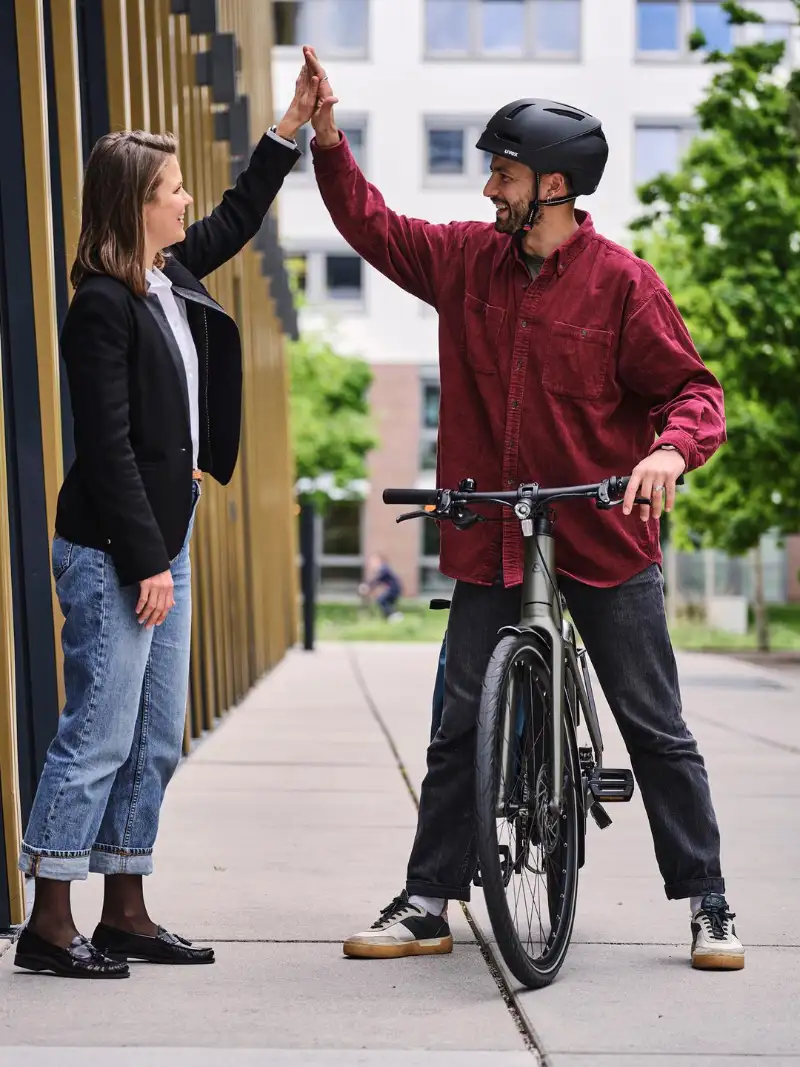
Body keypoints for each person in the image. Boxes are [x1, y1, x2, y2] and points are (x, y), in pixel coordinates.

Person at [303, 46, 745, 972]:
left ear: (553, 186)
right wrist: (329, 139)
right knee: (457, 725)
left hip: (604, 537)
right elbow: (375, 227)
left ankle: (708, 900)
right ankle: (430, 900)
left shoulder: (624, 284)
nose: (487, 190)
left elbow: (693, 393)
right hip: (493, 536)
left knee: (656, 726)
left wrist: (669, 450)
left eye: (501, 174)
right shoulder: (467, 262)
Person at [13, 64, 321, 980]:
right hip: (115, 547)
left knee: (153, 733)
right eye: (172, 187)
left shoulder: (166, 275)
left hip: (161, 543)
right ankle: (50, 920)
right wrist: (149, 559)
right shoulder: (101, 304)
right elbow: (104, 448)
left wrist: (292, 127)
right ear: (134, 204)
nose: (188, 198)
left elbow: (239, 211)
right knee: (99, 732)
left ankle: (127, 908)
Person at [359, 552, 403, 620]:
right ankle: (390, 618)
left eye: (373, 561)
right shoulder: (382, 568)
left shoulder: (384, 568)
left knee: (381, 600)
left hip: (394, 589)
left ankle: (394, 617)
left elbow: (377, 579)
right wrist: (369, 587)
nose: (371, 563)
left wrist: (368, 586)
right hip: (394, 589)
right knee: (385, 603)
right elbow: (377, 581)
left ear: (378, 560)